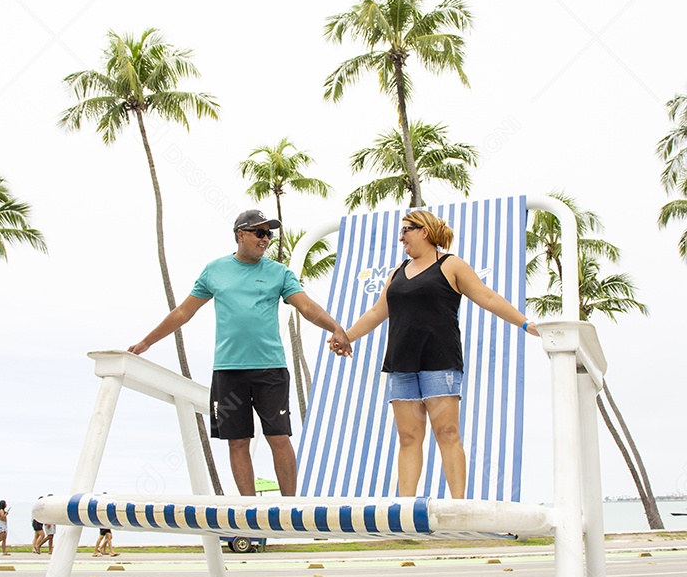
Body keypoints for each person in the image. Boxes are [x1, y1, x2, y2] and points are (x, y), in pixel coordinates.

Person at [128, 208, 351, 496]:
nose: (265, 239)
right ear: (240, 234)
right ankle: (249, 515)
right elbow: (184, 312)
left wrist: (336, 327)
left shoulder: (279, 273)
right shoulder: (215, 270)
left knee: (279, 437)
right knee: (237, 441)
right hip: (228, 370)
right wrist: (147, 342)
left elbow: (307, 307)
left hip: (270, 368)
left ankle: (289, 509)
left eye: (268, 234)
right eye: (259, 233)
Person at [330, 209, 539, 499]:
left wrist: (526, 324)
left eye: (405, 230)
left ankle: (458, 508)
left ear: (423, 231)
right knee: (408, 438)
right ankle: (405, 510)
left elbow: (488, 297)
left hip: (439, 362)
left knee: (447, 434)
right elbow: (378, 312)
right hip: (401, 365)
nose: (401, 237)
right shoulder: (397, 272)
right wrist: (346, 336)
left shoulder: (451, 265)